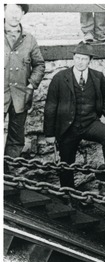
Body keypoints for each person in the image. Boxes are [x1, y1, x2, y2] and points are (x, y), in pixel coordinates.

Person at [44, 42, 105, 189]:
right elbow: (50, 106)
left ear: (90, 60)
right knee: (66, 161)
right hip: (68, 127)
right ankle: (67, 192)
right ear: (73, 58)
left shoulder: (97, 77)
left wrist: (103, 113)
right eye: (78, 58)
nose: (80, 62)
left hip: (90, 123)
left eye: (84, 59)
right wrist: (49, 134)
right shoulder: (60, 78)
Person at [4, 4, 45, 160]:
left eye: (18, 12)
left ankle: (9, 175)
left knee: (16, 139)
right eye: (11, 11)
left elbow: (39, 65)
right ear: (4, 11)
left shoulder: (29, 39)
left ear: (22, 14)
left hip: (20, 96)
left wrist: (31, 85)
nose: (15, 15)